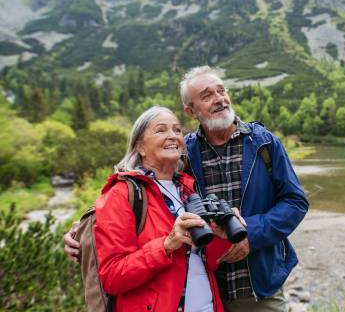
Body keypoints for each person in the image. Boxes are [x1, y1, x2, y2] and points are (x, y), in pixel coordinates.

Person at [65, 66, 309, 312]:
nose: (219, 99)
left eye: (221, 91)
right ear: (191, 111)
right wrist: (87, 230)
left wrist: (251, 234)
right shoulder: (185, 153)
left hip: (259, 283)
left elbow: (296, 203)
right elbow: (140, 193)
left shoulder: (264, 143)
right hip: (212, 287)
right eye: (207, 95)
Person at [93, 105, 244, 312]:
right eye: (161, 130)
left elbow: (209, 263)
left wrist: (221, 235)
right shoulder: (121, 195)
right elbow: (112, 278)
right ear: (140, 147)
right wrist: (166, 245)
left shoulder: (189, 188)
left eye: (177, 130)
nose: (172, 136)